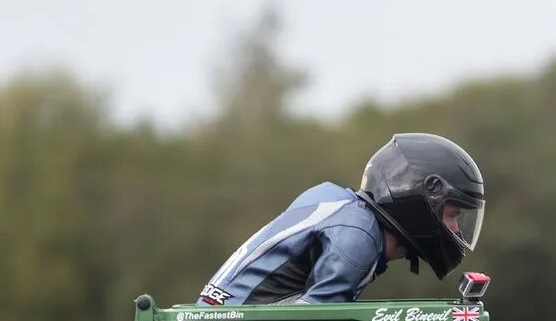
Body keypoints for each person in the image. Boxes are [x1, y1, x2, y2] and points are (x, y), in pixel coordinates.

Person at [197, 132, 485, 307]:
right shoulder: (357, 238)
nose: (455, 229)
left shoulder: (338, 202)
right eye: (451, 215)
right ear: (424, 201)